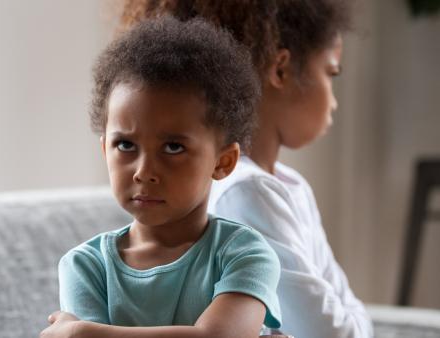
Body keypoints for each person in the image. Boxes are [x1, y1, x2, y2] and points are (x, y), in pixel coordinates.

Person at [119, 1, 373, 337]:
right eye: (330, 72)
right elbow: (332, 331)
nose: (335, 100)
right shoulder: (246, 192)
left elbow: (350, 312)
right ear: (280, 70)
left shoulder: (287, 185)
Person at [40, 16, 284, 338]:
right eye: (125, 145)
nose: (143, 172)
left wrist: (82, 333)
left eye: (172, 147)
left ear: (223, 161)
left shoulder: (244, 254)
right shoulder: (86, 266)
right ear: (105, 150)